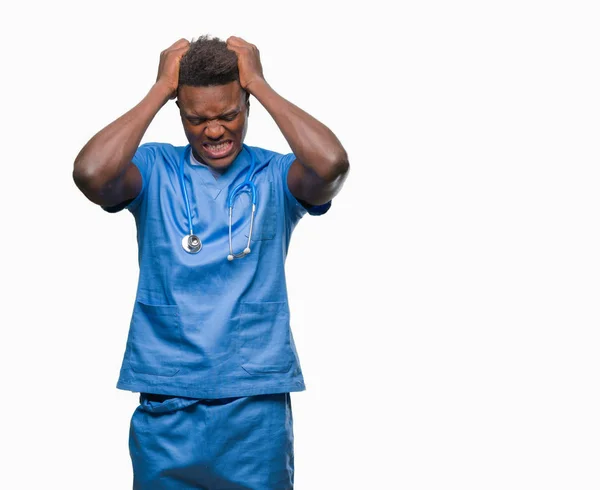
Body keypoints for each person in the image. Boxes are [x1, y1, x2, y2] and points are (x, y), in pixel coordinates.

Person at [73, 35, 349, 489]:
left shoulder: (276, 174)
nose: (215, 130)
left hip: (253, 404)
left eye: (229, 114)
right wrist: (161, 88)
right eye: (197, 118)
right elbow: (92, 172)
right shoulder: (154, 166)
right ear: (179, 113)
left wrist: (258, 81)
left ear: (247, 107)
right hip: (168, 400)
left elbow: (331, 164)